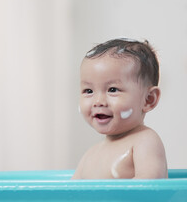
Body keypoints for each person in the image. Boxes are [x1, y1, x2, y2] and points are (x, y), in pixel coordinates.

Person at [72, 38, 168, 179]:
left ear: (148, 99)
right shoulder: (90, 155)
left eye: (112, 89)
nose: (98, 101)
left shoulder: (144, 141)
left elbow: (151, 189)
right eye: (88, 91)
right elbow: (71, 194)